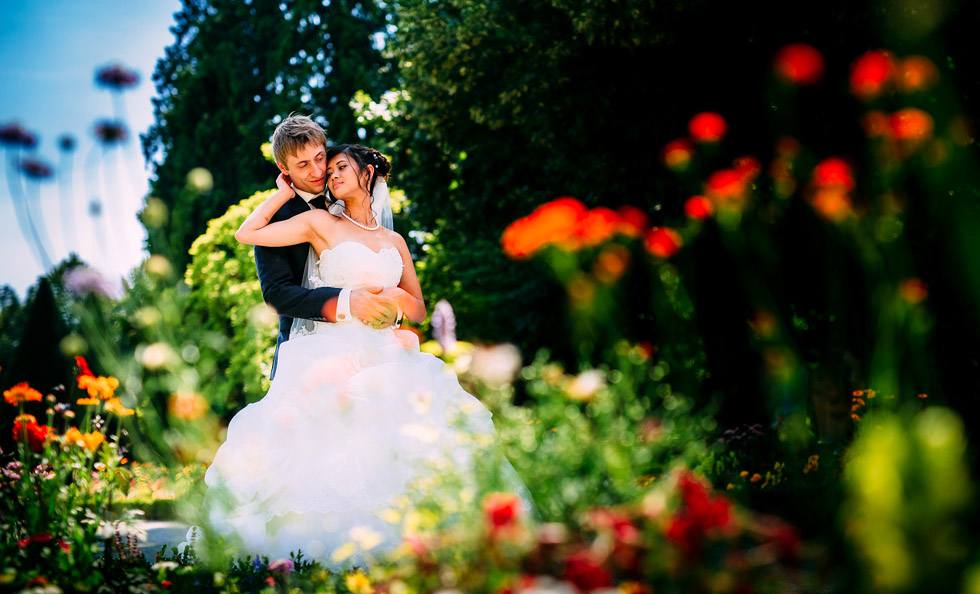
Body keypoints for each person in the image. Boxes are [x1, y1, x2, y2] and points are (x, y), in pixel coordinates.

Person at [203, 141, 530, 568]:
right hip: (334, 346)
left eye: (340, 167)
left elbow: (417, 308)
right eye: (329, 168)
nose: (331, 175)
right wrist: (284, 191)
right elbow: (248, 233)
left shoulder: (394, 240)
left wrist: (393, 295)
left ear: (367, 174)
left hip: (388, 350)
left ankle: (424, 550)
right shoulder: (318, 220)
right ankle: (328, 557)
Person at [252, 115, 399, 379]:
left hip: (375, 354)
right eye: (303, 165)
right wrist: (347, 302)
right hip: (305, 360)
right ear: (283, 168)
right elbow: (277, 294)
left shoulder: (350, 192)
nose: (318, 171)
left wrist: (392, 312)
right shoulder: (273, 219)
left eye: (320, 158)